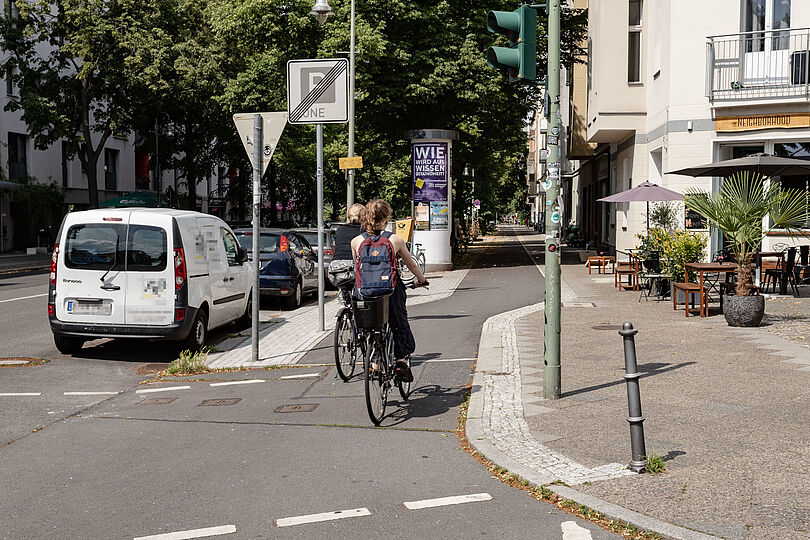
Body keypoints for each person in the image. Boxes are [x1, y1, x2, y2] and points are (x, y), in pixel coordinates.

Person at [352, 199, 427, 382]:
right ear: (386, 219)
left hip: (365, 293)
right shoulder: (395, 240)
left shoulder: (356, 241)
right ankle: (401, 361)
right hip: (391, 291)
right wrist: (422, 280)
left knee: (372, 328)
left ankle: (375, 364)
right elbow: (411, 265)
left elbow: (357, 267)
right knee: (399, 324)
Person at [328, 203, 365, 297]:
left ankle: (343, 304)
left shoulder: (340, 229)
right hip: (352, 266)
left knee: (343, 286)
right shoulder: (364, 230)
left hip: (335, 267)